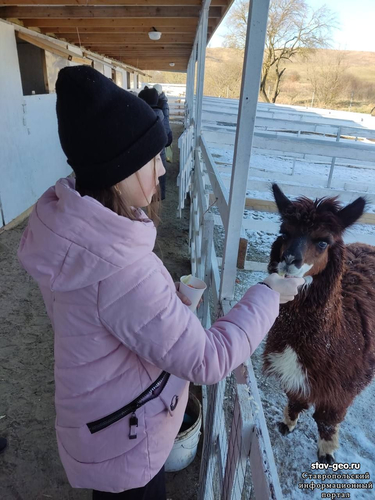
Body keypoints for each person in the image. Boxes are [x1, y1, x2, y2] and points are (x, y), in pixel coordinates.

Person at [17, 66, 304, 499]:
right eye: (152, 158)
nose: (163, 169)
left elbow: (105, 324)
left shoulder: (74, 233)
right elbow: (208, 359)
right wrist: (267, 295)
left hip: (101, 428)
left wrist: (168, 308)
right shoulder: (121, 268)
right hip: (127, 445)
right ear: (119, 169)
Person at [138, 87, 168, 200]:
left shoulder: (143, 116)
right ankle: (159, 196)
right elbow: (167, 134)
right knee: (160, 176)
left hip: (146, 156)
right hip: (161, 153)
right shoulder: (161, 114)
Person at [153, 84, 172, 149]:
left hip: (162, 132)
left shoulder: (163, 104)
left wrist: (166, 133)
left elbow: (166, 119)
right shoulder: (157, 101)